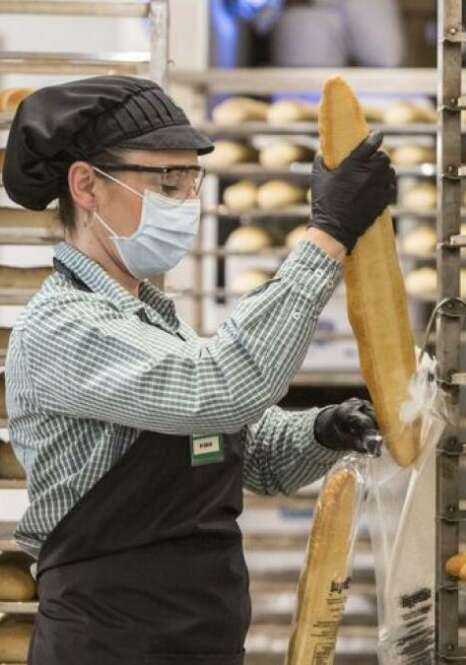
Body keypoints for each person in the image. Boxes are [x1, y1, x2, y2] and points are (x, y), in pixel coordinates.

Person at [1, 75, 395, 665]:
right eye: (165, 180)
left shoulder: (155, 323)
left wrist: (321, 431)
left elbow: (248, 456)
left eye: (191, 180)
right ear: (85, 185)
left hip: (200, 643)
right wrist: (327, 237)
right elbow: (216, 391)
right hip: (108, 647)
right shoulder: (63, 327)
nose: (186, 199)